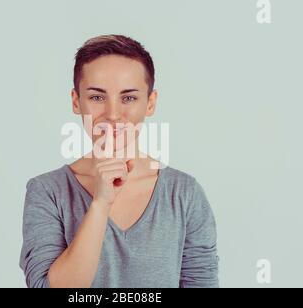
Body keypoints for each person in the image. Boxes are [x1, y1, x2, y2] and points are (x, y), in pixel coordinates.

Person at [19, 34, 219, 288]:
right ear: (76, 101)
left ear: (150, 103)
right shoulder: (47, 191)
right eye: (97, 97)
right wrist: (101, 203)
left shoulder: (184, 193)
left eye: (128, 98)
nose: (113, 115)